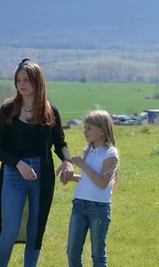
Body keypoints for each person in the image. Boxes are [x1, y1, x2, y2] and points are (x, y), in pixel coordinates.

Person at [0, 58, 74, 267]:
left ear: (37, 81)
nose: (21, 84)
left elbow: (60, 143)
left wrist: (67, 161)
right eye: (18, 80)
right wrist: (18, 163)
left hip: (42, 177)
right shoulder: (7, 110)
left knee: (35, 232)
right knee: (9, 231)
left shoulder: (50, 111)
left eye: (26, 79)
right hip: (14, 174)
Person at [66, 110, 119, 267]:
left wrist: (83, 165)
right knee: (72, 252)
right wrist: (72, 177)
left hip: (99, 208)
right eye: (84, 128)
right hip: (79, 205)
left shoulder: (111, 154)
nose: (85, 132)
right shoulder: (88, 150)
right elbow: (88, 179)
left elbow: (102, 183)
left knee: (98, 255)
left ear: (102, 130)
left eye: (89, 128)